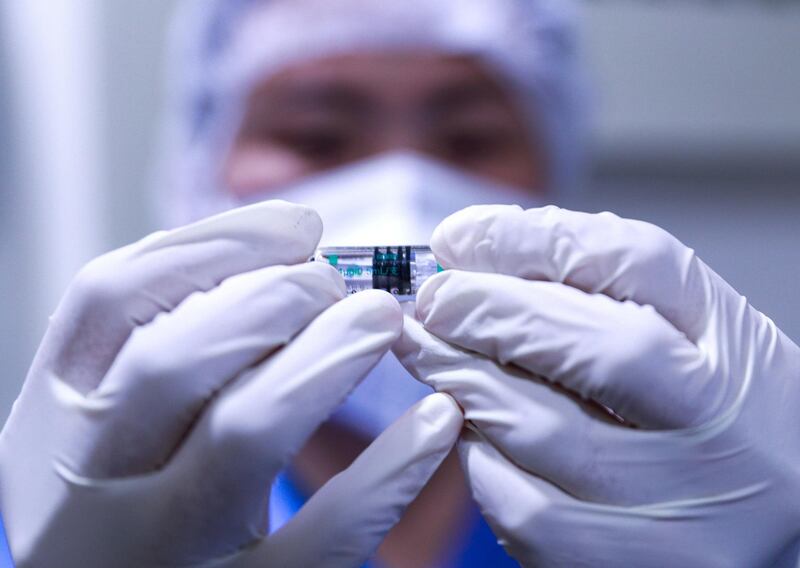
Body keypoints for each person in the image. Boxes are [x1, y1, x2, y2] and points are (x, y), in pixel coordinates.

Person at [2, 1, 799, 568]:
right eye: (317, 134)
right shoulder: (72, 515)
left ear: (554, 183)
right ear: (198, 174)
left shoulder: (685, 499)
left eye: (469, 136)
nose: (400, 185)